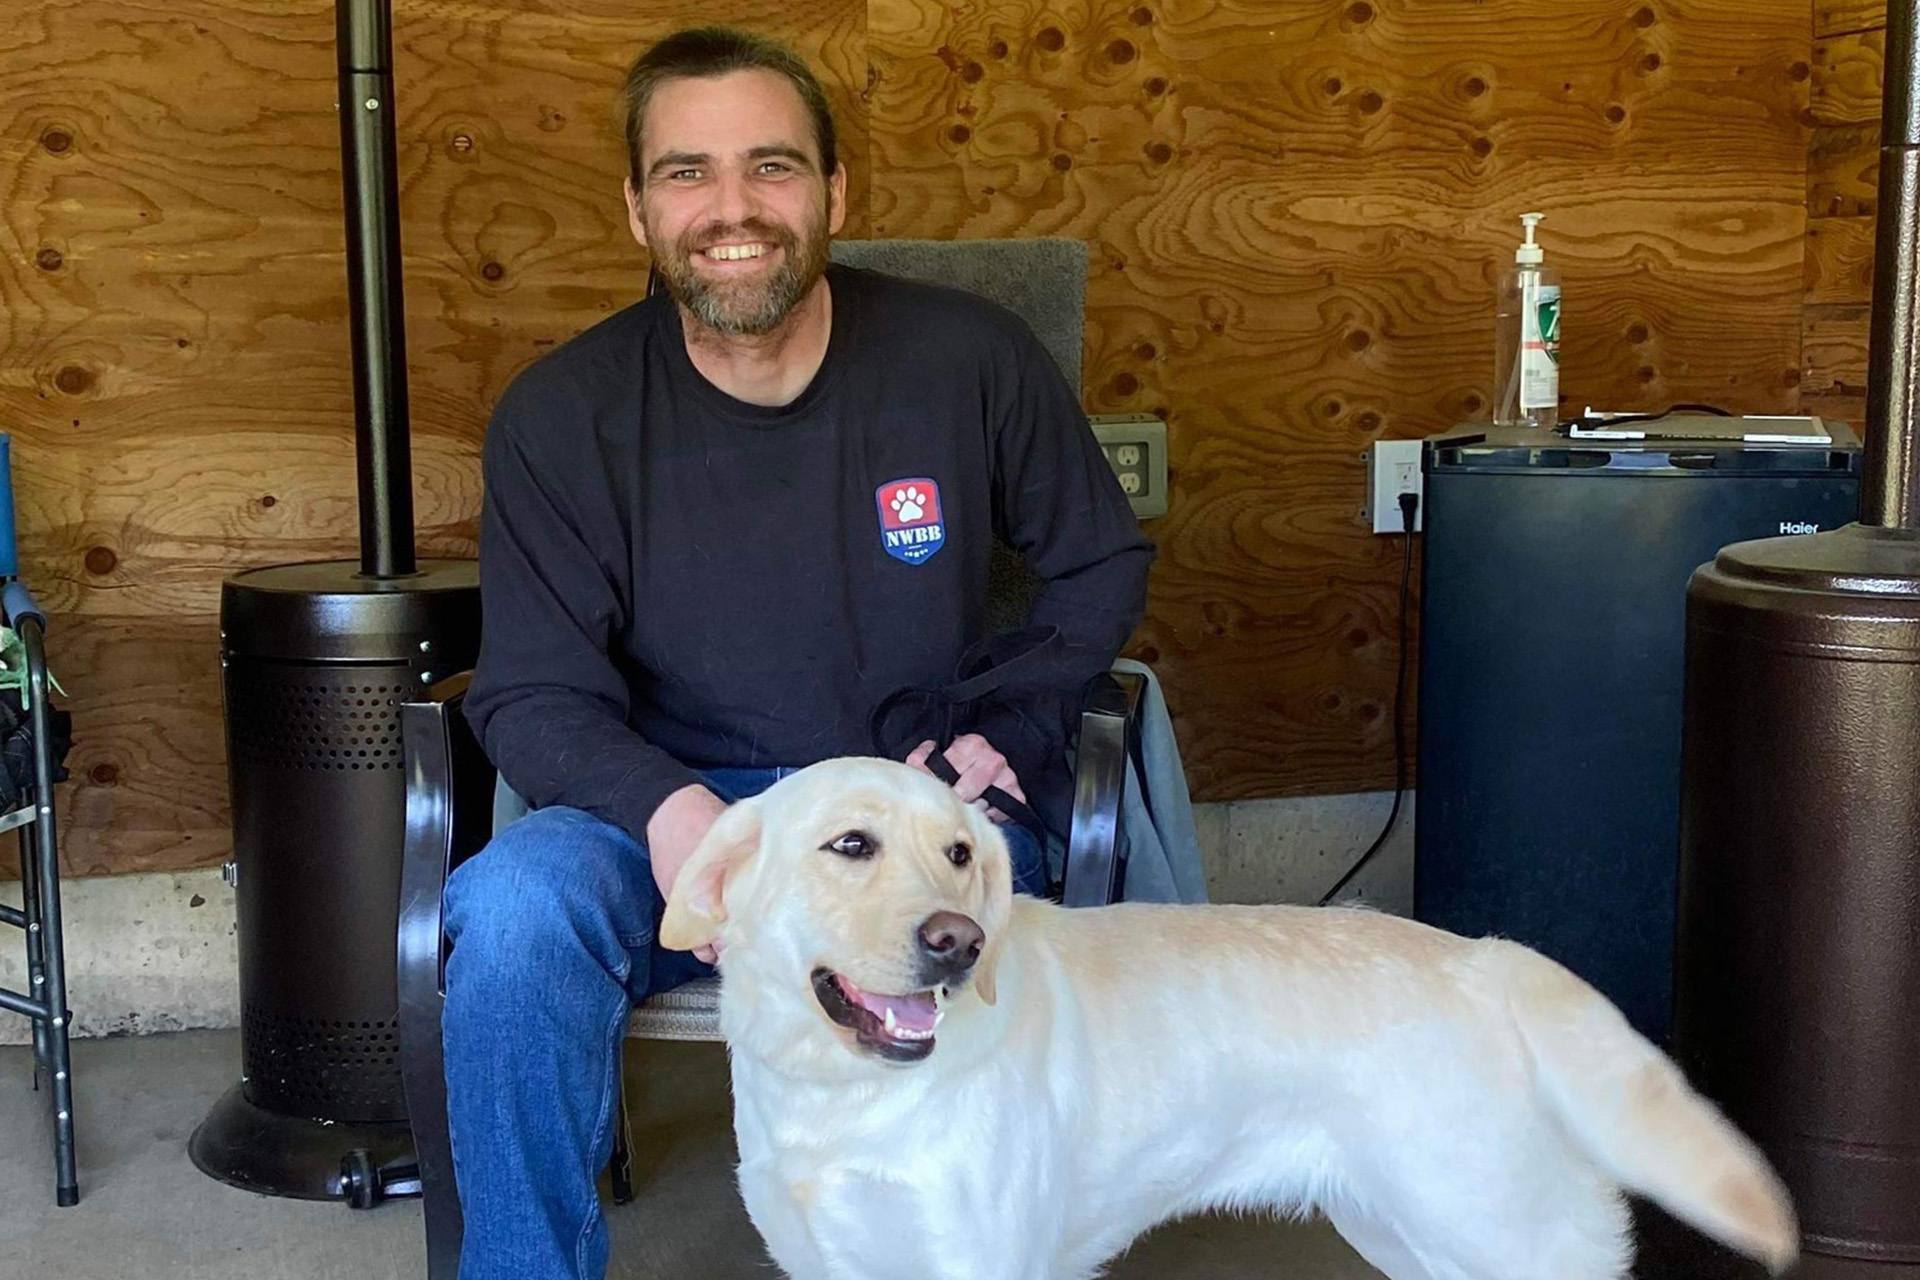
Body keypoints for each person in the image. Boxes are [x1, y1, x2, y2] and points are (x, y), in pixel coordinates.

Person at [442, 24, 1153, 1279]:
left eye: (771, 167)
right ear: (635, 207)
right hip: (675, 808)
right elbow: (533, 686)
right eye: (686, 172)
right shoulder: (561, 415)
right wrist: (669, 815)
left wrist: (1020, 722)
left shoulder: (969, 358)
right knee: (510, 910)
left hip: (914, 798)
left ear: (835, 191)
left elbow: (1097, 561)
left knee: (1011, 968)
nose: (732, 209)